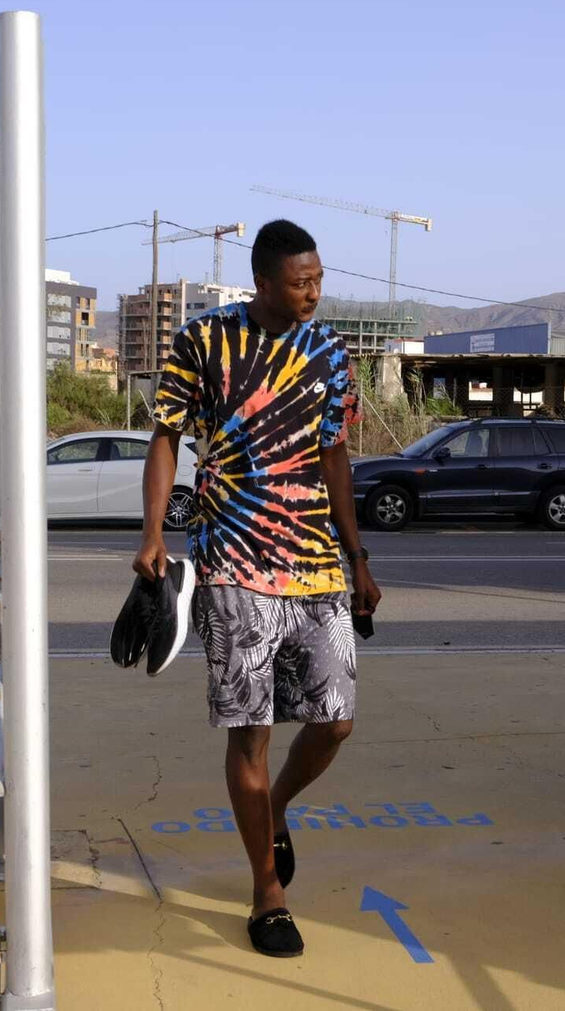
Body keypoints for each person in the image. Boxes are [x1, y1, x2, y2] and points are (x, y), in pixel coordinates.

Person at [134, 218, 382, 958]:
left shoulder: (330, 351)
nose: (313, 292)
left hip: (315, 558)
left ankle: (273, 809)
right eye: (300, 282)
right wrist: (153, 534)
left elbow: (335, 454)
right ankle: (266, 893)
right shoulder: (204, 342)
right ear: (263, 283)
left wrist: (358, 556)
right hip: (233, 556)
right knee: (253, 728)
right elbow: (165, 437)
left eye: (319, 279)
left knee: (335, 718)